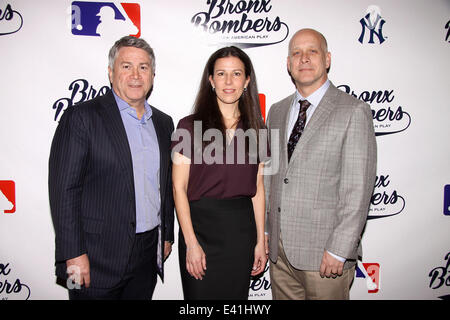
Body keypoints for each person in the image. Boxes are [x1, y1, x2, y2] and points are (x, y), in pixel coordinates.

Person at [49, 36, 174, 300]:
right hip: (90, 257)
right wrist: (72, 254)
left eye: (143, 67)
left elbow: (166, 185)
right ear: (110, 72)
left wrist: (167, 235)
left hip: (147, 255)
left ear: (153, 74)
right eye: (126, 66)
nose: (136, 75)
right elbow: (64, 191)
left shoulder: (164, 123)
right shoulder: (81, 117)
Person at [264, 28, 377, 300]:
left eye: (312, 51)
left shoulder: (352, 111)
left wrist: (340, 249)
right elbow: (272, 175)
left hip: (326, 257)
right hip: (280, 255)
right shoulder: (277, 111)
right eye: (296, 53)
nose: (304, 58)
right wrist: (268, 231)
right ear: (288, 64)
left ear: (327, 59)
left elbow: (358, 190)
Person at [171, 46, 268, 300]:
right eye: (221, 74)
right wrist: (191, 243)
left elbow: (257, 190)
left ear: (247, 80)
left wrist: (260, 240)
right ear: (211, 80)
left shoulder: (258, 129)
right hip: (199, 230)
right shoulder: (189, 126)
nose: (228, 81)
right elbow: (178, 188)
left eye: (236, 74)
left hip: (240, 233)